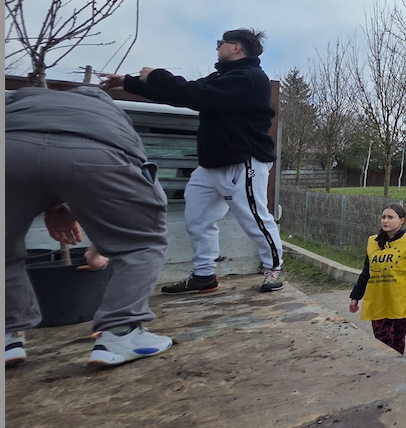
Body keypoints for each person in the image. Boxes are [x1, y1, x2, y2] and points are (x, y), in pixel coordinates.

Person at [102, 29, 284, 294]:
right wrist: (129, 83)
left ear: (236, 47)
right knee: (197, 219)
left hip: (243, 161)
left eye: (221, 43)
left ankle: (273, 270)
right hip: (212, 163)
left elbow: (196, 94)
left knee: (254, 218)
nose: (217, 47)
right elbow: (182, 94)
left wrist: (157, 75)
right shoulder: (222, 78)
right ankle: (203, 275)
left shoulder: (249, 78)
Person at [5, 86, 172, 367]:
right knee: (143, 243)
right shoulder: (105, 108)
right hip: (98, 153)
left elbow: (40, 154)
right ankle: (121, 332)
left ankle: (7, 336)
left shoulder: (19, 97)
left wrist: (56, 206)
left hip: (8, 151)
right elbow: (127, 202)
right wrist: (102, 244)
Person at [349, 204, 406, 354]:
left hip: (403, 300)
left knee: (397, 339)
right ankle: (389, 364)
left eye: (390, 217)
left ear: (401, 220)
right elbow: (366, 272)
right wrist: (355, 297)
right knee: (383, 339)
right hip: (378, 299)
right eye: (383, 217)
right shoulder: (373, 242)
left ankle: (397, 366)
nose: (385, 220)